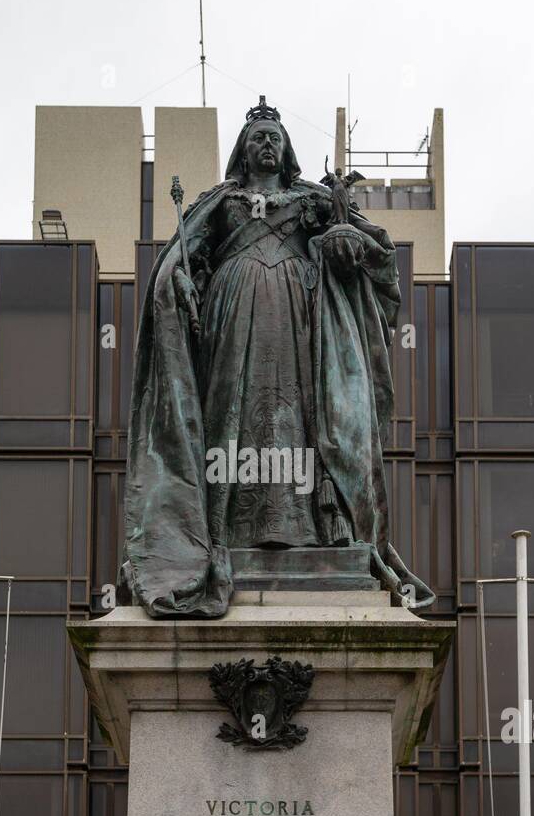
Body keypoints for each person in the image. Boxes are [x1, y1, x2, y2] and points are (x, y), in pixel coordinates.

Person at [120, 98, 434, 617]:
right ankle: (224, 529)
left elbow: (371, 250)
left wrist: (343, 242)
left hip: (298, 313)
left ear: (287, 150)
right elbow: (184, 254)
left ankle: (307, 530)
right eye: (257, 137)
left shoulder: (312, 198)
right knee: (231, 414)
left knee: (298, 415)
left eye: (275, 136)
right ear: (243, 151)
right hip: (232, 307)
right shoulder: (221, 201)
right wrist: (178, 276)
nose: (266, 143)